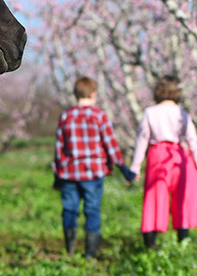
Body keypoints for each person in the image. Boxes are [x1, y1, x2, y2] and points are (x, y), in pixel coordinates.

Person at [53, 77, 136, 260]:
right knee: (92, 210)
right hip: (93, 172)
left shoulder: (66, 115)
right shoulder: (99, 115)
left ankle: (70, 250)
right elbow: (111, 145)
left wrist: (57, 175)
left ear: (76, 94)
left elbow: (59, 148)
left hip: (69, 172)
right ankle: (90, 254)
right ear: (93, 93)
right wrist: (124, 169)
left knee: (69, 210)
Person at [129, 75, 197, 249]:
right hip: (180, 156)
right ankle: (183, 245)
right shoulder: (182, 113)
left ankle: (150, 247)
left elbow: (142, 140)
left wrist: (135, 167)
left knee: (153, 200)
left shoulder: (150, 112)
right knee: (182, 200)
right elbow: (193, 141)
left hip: (157, 156)